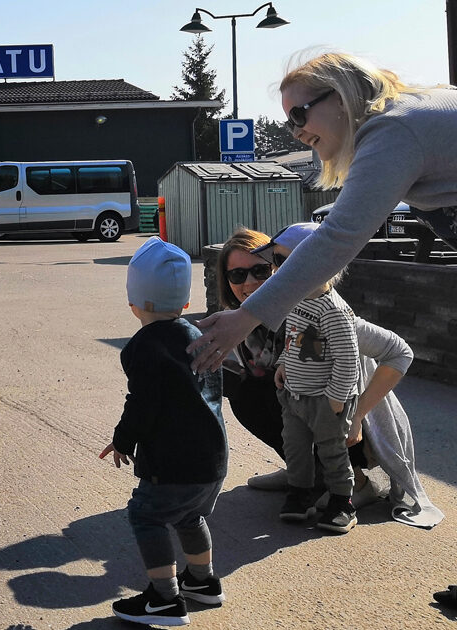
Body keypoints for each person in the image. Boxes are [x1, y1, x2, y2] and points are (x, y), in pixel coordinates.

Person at [190, 52, 457, 373]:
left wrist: (246, 317)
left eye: (299, 115)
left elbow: (338, 238)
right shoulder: (413, 111)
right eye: (289, 123)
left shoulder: (393, 130)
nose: (295, 132)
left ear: (341, 97)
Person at [218, 227, 444, 529]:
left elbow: (399, 352)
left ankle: (356, 484)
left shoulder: (329, 313)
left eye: (262, 269)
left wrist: (356, 413)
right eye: (237, 275)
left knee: (284, 393)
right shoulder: (253, 321)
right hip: (304, 403)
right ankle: (303, 472)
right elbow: (298, 351)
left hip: (346, 420)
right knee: (246, 387)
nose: (249, 283)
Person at [99, 237, 227, 627]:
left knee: (146, 515)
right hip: (212, 459)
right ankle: (203, 582)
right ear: (184, 303)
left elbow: (142, 402)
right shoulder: (197, 336)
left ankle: (165, 599)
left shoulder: (143, 347)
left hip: (172, 461)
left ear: (137, 304)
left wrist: (122, 440)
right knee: (189, 516)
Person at [253, 223, 360, 534]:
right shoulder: (298, 300)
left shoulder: (334, 310)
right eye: (274, 261)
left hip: (326, 399)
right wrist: (285, 362)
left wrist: (337, 398)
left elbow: (348, 358)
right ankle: (301, 493)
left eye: (284, 262)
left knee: (332, 450)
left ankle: (342, 501)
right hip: (295, 395)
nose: (276, 270)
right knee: (296, 447)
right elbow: (298, 341)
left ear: (318, 262)